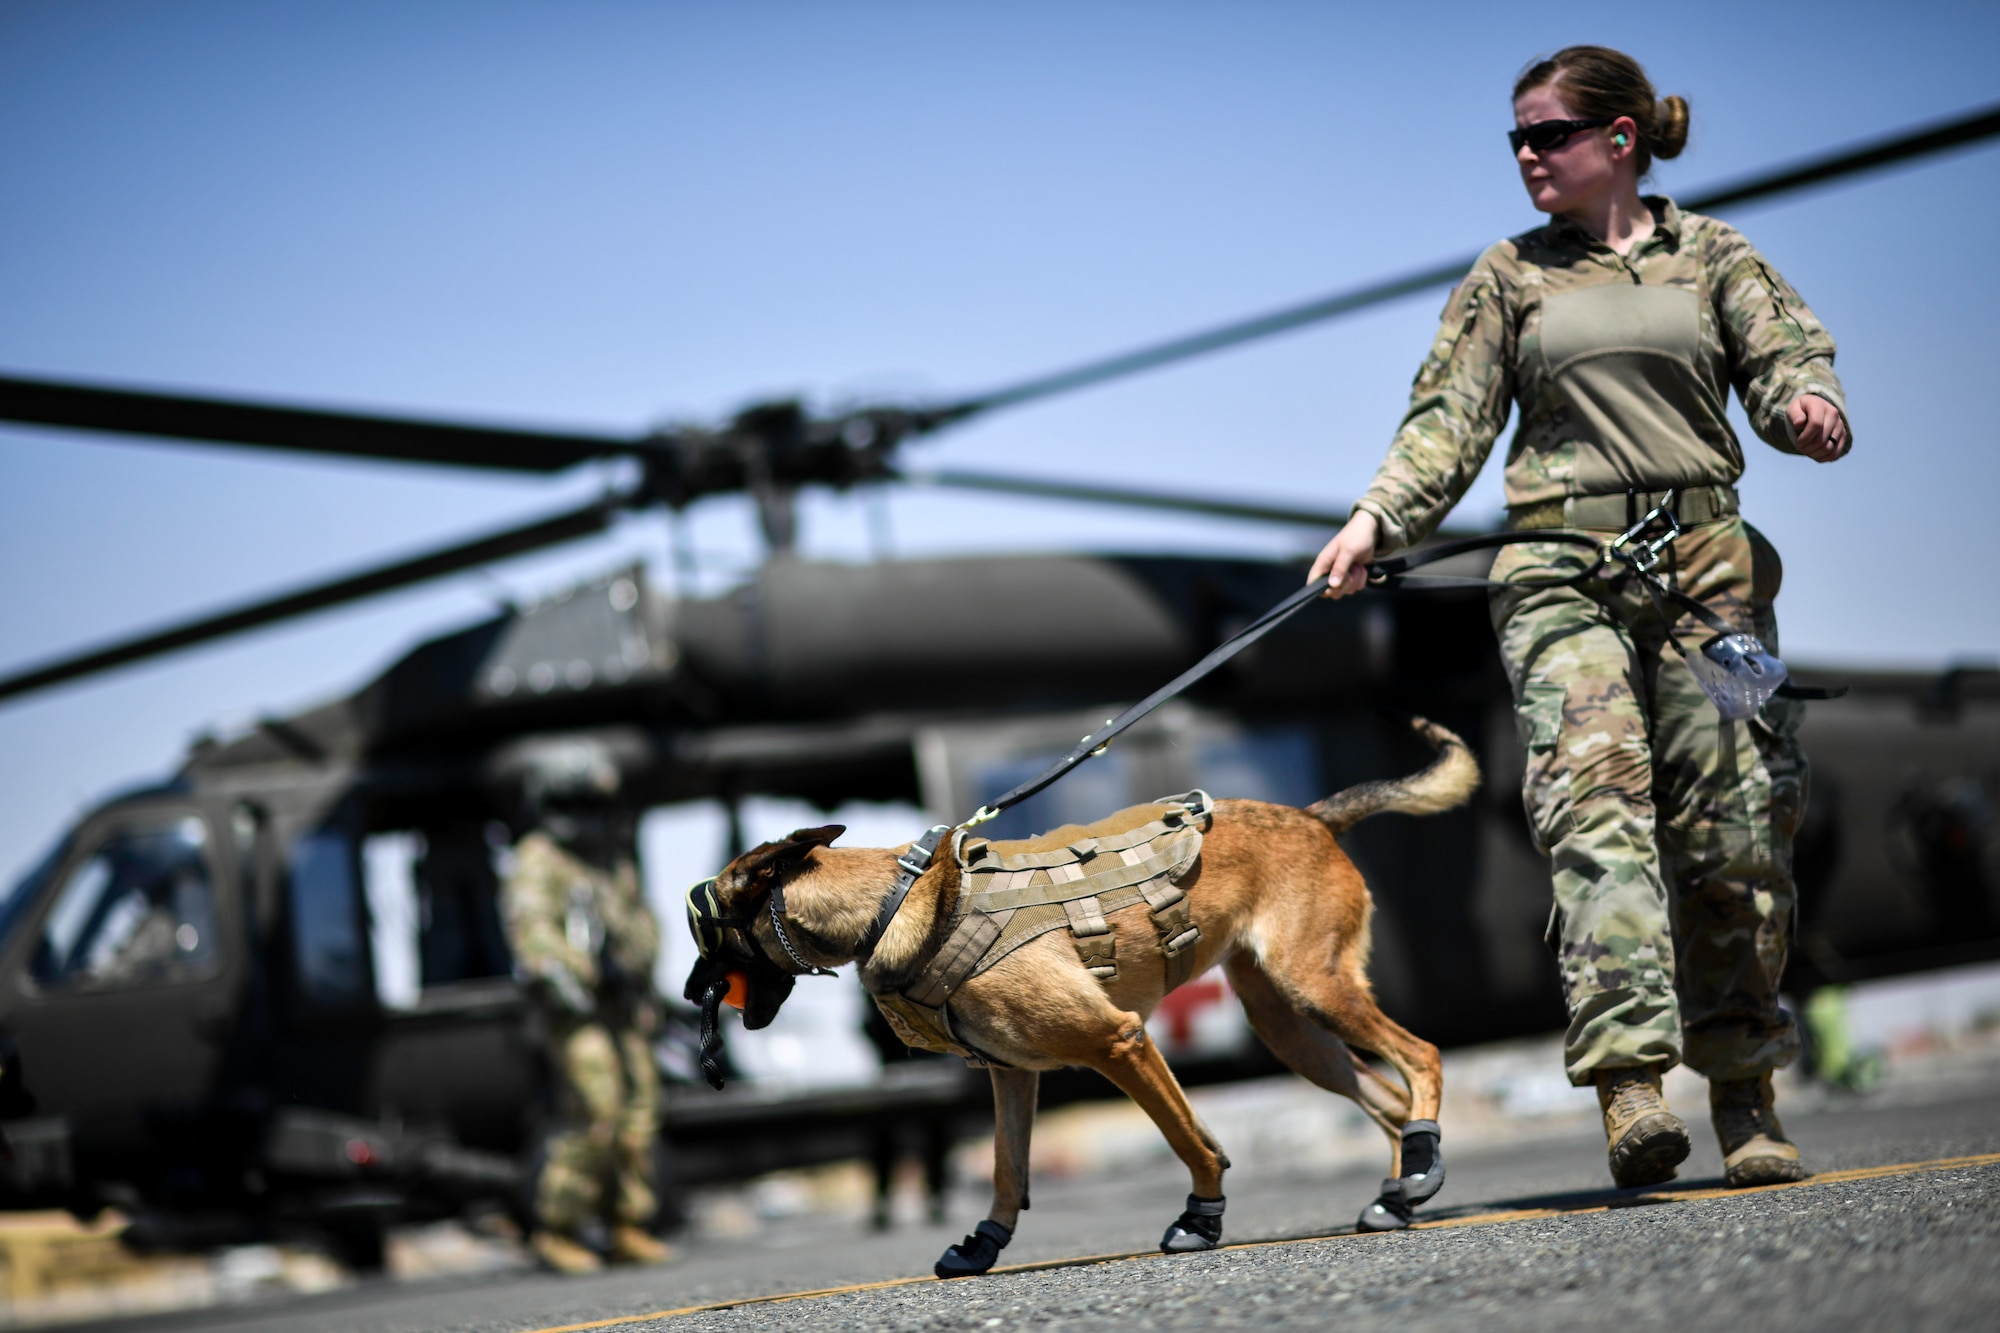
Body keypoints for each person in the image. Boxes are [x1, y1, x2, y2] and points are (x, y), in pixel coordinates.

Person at [1310, 46, 1851, 1190]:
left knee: (1738, 823)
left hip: (1709, 578)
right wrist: (1374, 518)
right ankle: (1630, 1090)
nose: (1524, 156)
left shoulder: (1711, 255)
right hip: (1558, 571)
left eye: (1546, 134)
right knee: (1592, 809)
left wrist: (1807, 404)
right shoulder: (1507, 275)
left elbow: (1784, 358)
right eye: (1514, 138)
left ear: (1619, 140)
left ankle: (1745, 1096)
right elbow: (1444, 422)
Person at [501, 740, 674, 1272]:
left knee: (641, 1110)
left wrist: (635, 965)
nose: (592, 818)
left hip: (622, 1007)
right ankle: (558, 1228)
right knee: (596, 1111)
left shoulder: (609, 860)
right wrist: (587, 973)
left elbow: (643, 923)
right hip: (575, 1011)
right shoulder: (539, 859)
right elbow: (534, 936)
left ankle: (628, 1223)